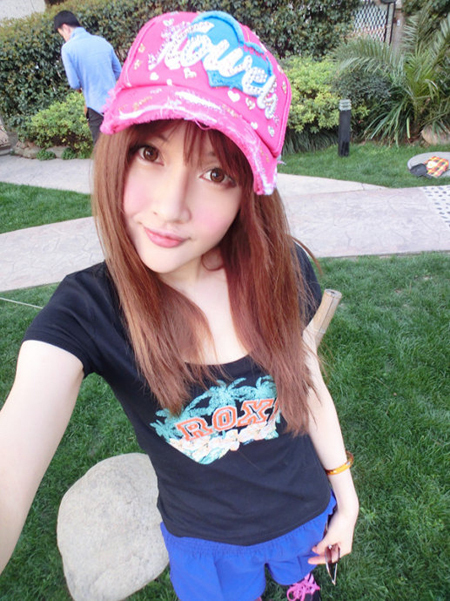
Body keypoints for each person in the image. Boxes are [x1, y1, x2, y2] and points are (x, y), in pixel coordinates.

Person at [0, 11, 359, 601]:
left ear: (248, 192)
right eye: (150, 152)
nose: (170, 207)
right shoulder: (89, 311)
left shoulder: (283, 269)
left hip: (301, 514)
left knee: (299, 584)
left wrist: (345, 496)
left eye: (216, 172)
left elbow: (308, 381)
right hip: (204, 544)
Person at [54, 10, 121, 144]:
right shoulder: (102, 42)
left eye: (62, 34)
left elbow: (74, 83)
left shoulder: (68, 48)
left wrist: (84, 83)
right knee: (120, 144)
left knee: (102, 150)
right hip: (115, 104)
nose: (64, 38)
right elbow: (118, 71)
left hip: (96, 108)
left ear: (65, 28)